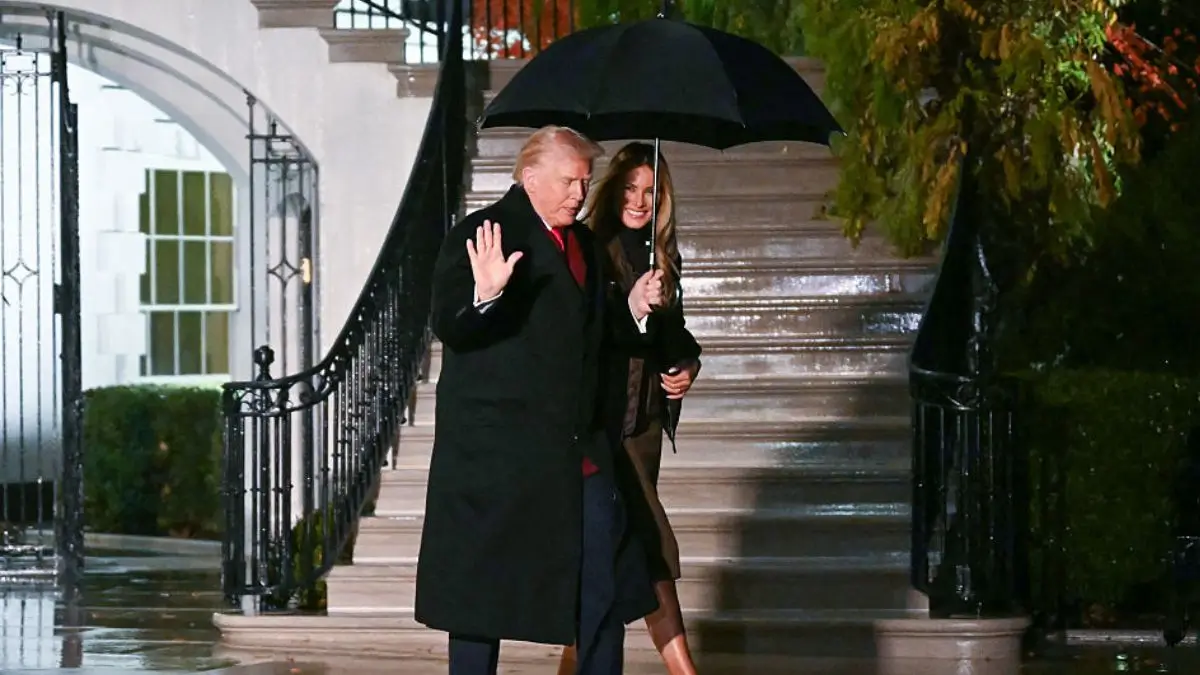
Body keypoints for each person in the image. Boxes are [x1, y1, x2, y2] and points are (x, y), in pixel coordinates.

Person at [414, 125, 666, 675]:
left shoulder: (586, 248)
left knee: (603, 586)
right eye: (569, 181)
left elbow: (597, 336)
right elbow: (452, 324)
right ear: (529, 178)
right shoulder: (483, 234)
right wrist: (484, 297)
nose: (580, 193)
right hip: (498, 458)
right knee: (480, 602)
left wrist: (636, 309)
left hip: (577, 451)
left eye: (584, 181)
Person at [557, 143, 703, 675]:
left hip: (642, 427)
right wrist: (631, 304)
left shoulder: (663, 255)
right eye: (630, 188)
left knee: (612, 561)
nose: (640, 201)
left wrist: (685, 365)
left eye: (651, 191)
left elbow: (673, 335)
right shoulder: (591, 248)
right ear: (612, 187)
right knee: (648, 552)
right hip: (604, 425)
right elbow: (587, 333)